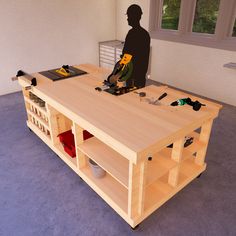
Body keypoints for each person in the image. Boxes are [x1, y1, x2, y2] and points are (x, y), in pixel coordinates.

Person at [122, 4, 150, 88]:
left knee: (132, 94)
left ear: (134, 17)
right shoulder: (144, 34)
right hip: (139, 74)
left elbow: (127, 54)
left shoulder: (132, 34)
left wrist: (121, 70)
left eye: (129, 16)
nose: (127, 18)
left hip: (133, 74)